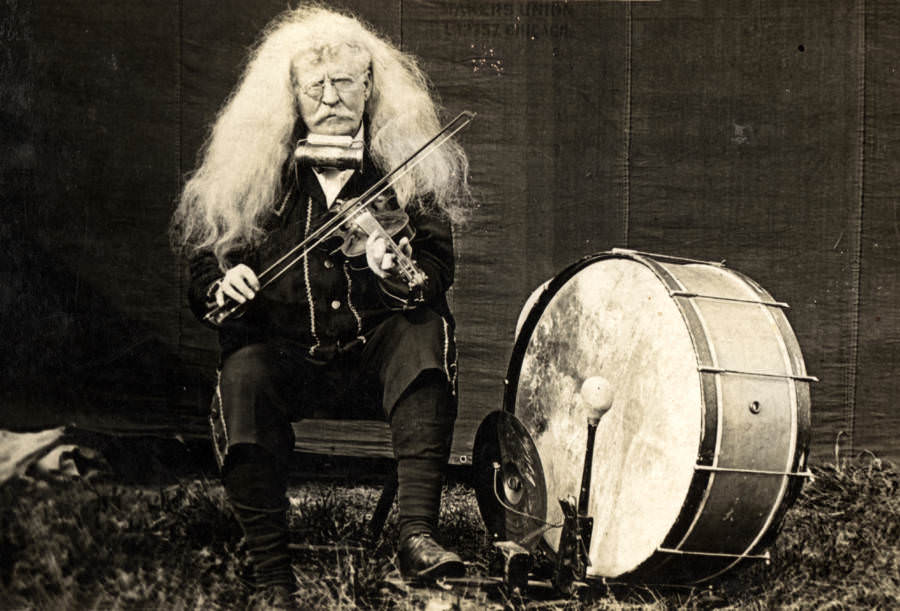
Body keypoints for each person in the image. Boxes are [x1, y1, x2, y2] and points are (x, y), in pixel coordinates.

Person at [169, 4, 472, 600]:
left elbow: (437, 269)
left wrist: (398, 271)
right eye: (316, 85)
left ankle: (416, 536)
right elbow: (207, 259)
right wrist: (223, 283)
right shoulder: (257, 171)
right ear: (292, 96)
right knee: (244, 370)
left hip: (372, 363)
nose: (331, 97)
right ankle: (272, 576)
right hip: (286, 363)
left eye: (346, 83)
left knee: (424, 334)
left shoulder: (405, 171)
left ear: (370, 88)